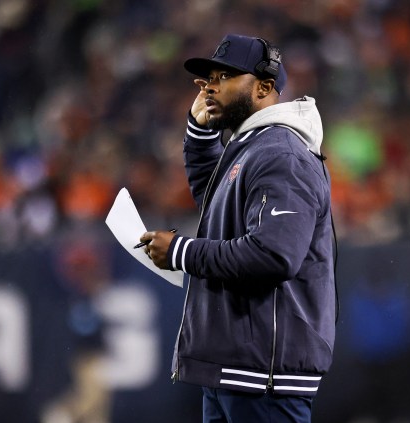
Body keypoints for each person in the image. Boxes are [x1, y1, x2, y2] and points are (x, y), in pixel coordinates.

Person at [139, 34, 337, 422]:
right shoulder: (255, 146)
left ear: (265, 87)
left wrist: (182, 252)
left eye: (226, 76)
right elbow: (218, 206)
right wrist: (201, 133)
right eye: (209, 77)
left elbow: (274, 254)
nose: (211, 85)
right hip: (239, 368)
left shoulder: (280, 152)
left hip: (263, 375)